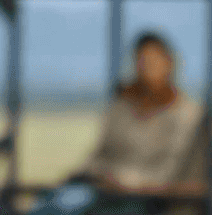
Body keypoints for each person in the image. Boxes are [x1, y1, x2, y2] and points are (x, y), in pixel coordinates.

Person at [80, 31, 202, 192]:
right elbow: (99, 155)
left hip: (153, 197)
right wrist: (96, 176)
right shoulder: (122, 107)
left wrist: (123, 181)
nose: (148, 70)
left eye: (154, 62)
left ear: (170, 65)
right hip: (104, 189)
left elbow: (170, 172)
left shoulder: (186, 114)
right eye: (142, 62)